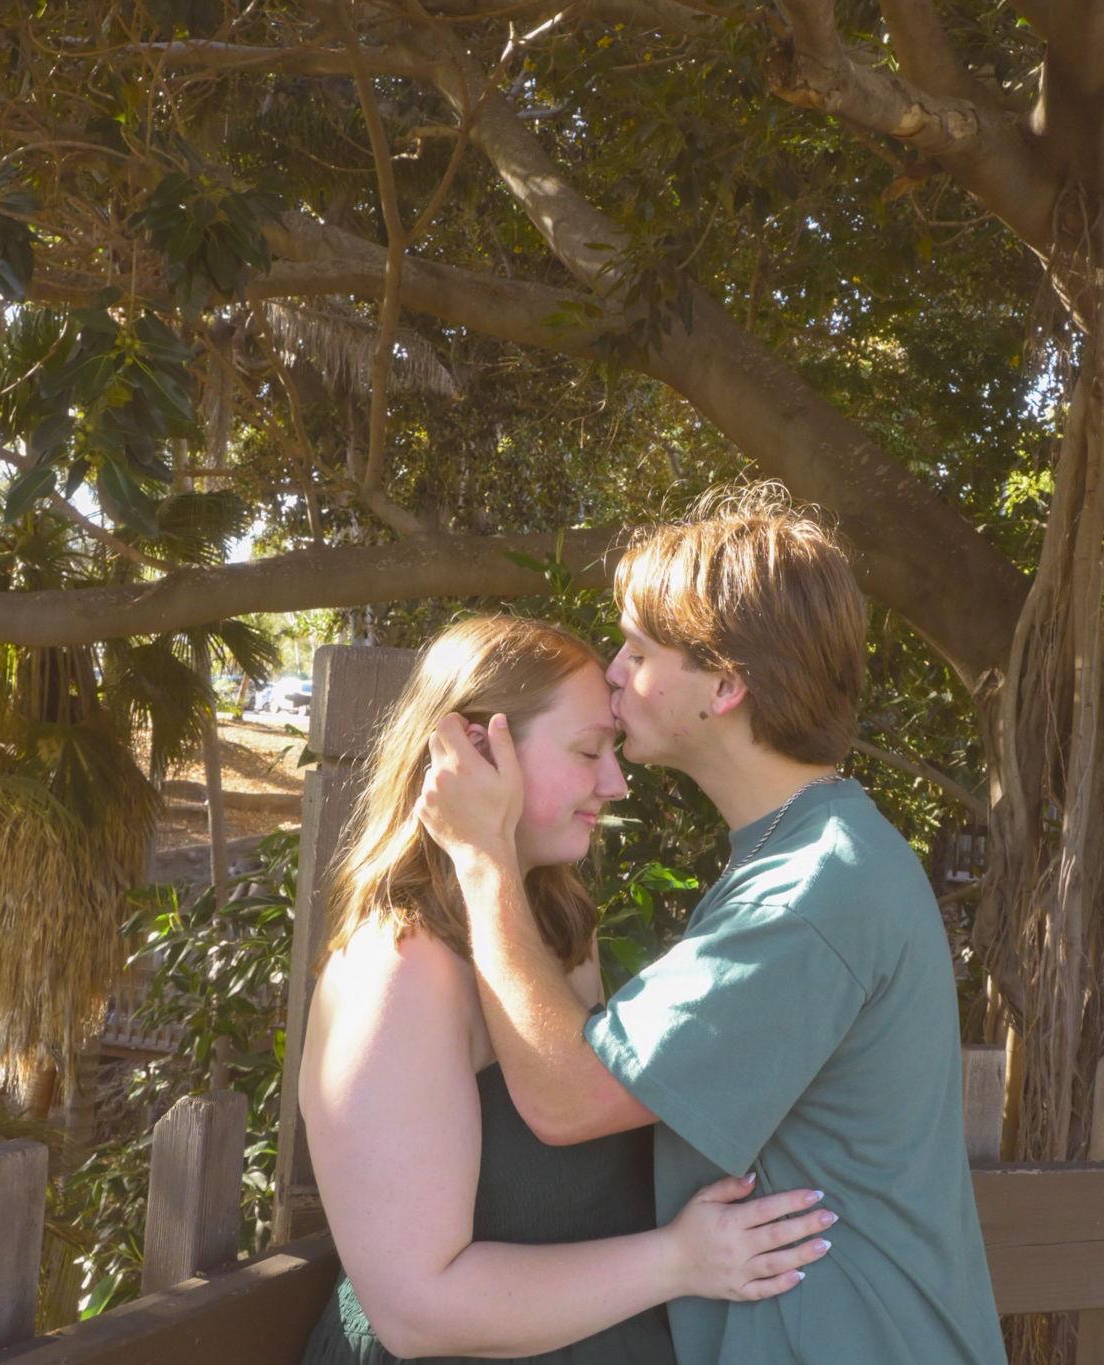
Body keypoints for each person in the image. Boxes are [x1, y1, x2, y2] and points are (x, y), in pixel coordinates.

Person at [417, 489, 1008, 1364]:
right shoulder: (803, 852)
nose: (612, 671)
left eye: (638, 650)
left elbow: (566, 1099)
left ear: (725, 685)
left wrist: (481, 859)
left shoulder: (807, 894)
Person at [297, 614, 835, 1365]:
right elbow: (416, 1310)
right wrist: (681, 1260)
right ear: (477, 751)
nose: (615, 783)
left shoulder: (554, 934)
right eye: (588, 751)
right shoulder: (399, 971)